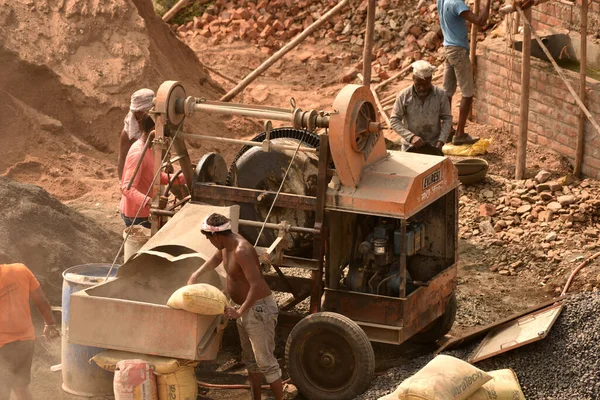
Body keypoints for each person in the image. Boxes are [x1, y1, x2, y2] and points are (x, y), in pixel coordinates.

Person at [187, 214, 283, 400]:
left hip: (257, 309)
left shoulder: (242, 250)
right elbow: (215, 259)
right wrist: (195, 275)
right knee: (250, 361)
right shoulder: (225, 246)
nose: (209, 241)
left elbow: (256, 285)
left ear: (216, 236)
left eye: (208, 238)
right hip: (244, 309)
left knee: (265, 362)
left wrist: (240, 311)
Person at [0, 263, 60, 400]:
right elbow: (42, 301)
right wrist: (50, 324)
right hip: (25, 343)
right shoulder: (20, 269)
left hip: (2, 348)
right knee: (20, 387)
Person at [438, 0, 491, 145]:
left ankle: (446, 129)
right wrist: (488, 3)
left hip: (448, 49)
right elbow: (480, 21)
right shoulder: (456, 3)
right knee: (467, 93)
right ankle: (460, 134)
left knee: (447, 92)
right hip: (459, 51)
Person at [120, 115, 183, 228]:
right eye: (164, 132)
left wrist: (185, 177)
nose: (165, 137)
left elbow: (155, 177)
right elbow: (127, 188)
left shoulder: (149, 149)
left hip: (144, 211)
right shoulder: (139, 153)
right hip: (137, 216)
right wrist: (152, 202)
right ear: (155, 129)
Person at [390, 60, 452, 152]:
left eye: (426, 85)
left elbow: (447, 118)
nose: (422, 88)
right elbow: (394, 120)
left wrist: (441, 141)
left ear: (431, 79)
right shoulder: (404, 96)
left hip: (433, 146)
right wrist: (411, 137)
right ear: (413, 78)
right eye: (418, 85)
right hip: (409, 146)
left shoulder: (440, 95)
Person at [118, 88, 155, 181]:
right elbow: (122, 159)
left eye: (141, 111)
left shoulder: (157, 125)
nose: (138, 114)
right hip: (136, 176)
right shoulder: (128, 132)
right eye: (136, 112)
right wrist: (122, 183)